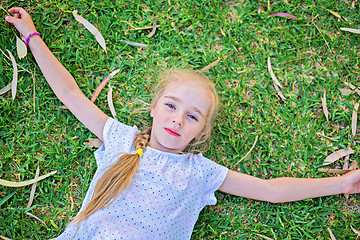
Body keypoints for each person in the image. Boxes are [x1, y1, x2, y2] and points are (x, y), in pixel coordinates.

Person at [5, 7, 360, 240]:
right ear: (154, 109)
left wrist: (342, 183)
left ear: (201, 132)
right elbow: (69, 92)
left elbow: (270, 190)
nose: (177, 118)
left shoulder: (200, 172)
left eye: (192, 116)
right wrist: (31, 36)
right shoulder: (121, 140)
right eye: (171, 105)